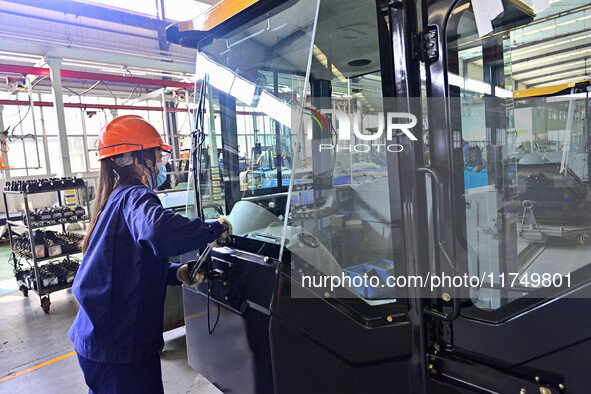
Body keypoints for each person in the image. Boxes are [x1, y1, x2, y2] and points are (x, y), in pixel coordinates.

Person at [68, 115, 232, 394]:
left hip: (99, 338)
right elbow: (157, 232)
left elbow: (126, 264)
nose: (161, 164)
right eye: (156, 155)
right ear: (134, 157)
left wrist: (174, 273)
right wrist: (212, 229)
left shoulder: (115, 198)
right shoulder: (136, 196)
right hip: (120, 344)